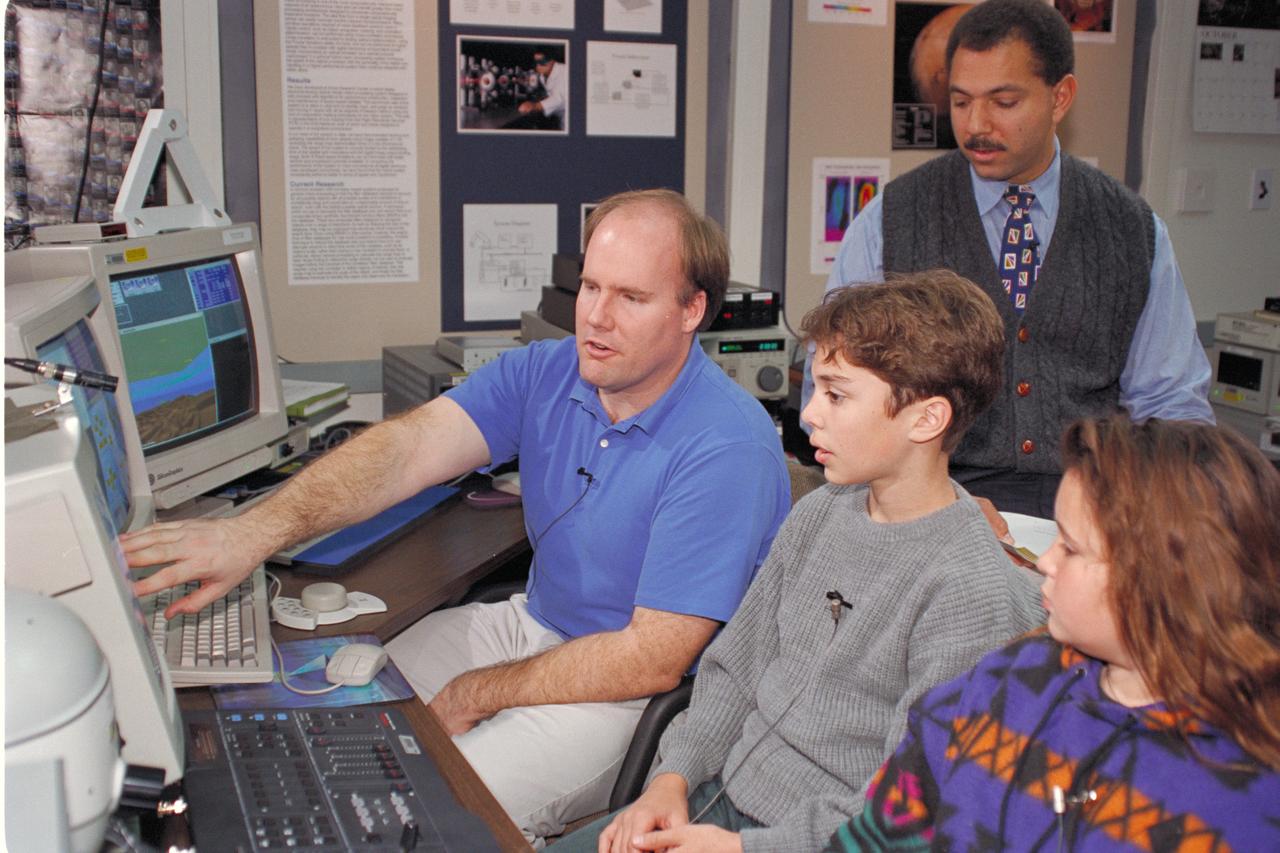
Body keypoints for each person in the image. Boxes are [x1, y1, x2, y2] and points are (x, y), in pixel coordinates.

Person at [121, 189, 791, 843]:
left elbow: (650, 661)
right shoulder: (551, 371)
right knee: (336, 703)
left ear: (691, 309)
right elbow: (405, 450)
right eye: (590, 287)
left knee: (432, 802)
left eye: (631, 298)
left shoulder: (726, 446)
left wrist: (481, 691)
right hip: (532, 625)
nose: (596, 317)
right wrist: (252, 531)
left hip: (628, 695)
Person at [556, 270, 1044, 853]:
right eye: (814, 388)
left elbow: (910, 812)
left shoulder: (968, 593)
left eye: (837, 394)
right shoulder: (822, 512)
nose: (810, 413)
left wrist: (741, 850)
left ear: (926, 418)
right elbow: (737, 665)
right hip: (717, 798)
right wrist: (671, 777)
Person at [807, 0, 1213, 519]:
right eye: (960, 102)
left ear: (1060, 96)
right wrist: (937, 503)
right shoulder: (892, 218)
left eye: (1003, 101)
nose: (977, 125)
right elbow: (832, 391)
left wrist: (1127, 515)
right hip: (933, 503)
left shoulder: (1132, 229)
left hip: (1093, 507)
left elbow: (1173, 406)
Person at [826, 416, 1280, 851]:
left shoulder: (1245, 798)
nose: (1045, 561)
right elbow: (878, 837)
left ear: (1165, 581)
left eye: (1071, 547)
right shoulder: (1005, 681)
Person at [517, 49, 567, 127]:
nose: (537, 66)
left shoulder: (564, 71)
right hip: (562, 120)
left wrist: (535, 106)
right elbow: (551, 93)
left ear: (552, 61)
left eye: (542, 62)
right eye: (536, 63)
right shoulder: (542, 76)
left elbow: (559, 99)